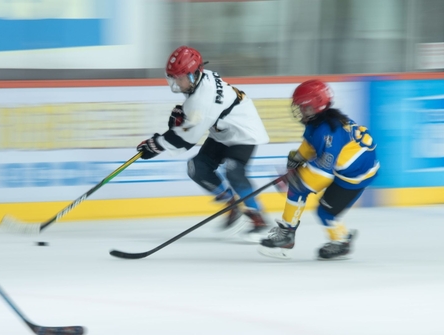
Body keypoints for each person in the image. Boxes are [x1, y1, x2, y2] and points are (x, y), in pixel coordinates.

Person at [136, 45, 271, 241]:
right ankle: (231, 205)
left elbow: (187, 140)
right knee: (196, 168)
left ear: (194, 74)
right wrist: (184, 118)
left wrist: (155, 145)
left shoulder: (203, 99)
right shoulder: (200, 80)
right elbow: (192, 119)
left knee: (234, 171)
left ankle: (259, 220)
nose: (176, 82)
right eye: (174, 77)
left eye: (180, 78)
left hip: (244, 132)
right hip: (223, 131)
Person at [259, 79, 380, 260]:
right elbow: (312, 145)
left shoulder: (328, 132)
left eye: (304, 107)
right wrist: (298, 159)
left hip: (355, 177)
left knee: (323, 210)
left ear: (316, 106)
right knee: (305, 194)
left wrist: (297, 179)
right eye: (299, 106)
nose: (300, 110)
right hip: (346, 168)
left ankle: (337, 241)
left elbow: (323, 173)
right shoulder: (321, 122)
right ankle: (290, 234)